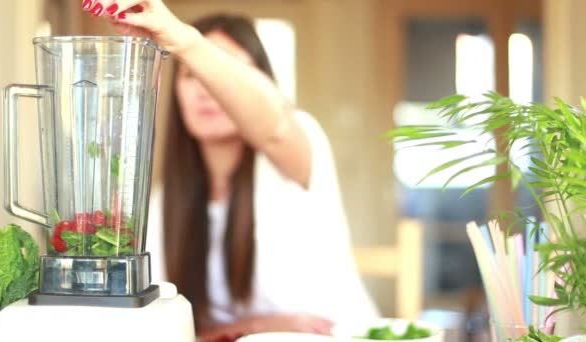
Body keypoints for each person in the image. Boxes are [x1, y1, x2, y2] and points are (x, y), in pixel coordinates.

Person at [83, 1, 379, 341]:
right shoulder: (162, 203)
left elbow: (275, 127)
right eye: (191, 74)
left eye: (228, 72)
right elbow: (167, 330)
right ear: (177, 92)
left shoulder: (299, 143)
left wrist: (185, 41)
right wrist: (253, 328)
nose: (209, 88)